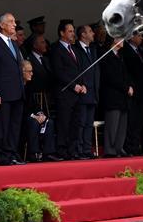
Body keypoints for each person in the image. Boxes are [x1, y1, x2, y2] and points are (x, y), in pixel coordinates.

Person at [0, 13, 26, 166]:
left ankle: (12, 153)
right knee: (3, 125)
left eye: (14, 22)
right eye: (10, 22)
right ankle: (3, 155)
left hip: (17, 91)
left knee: (15, 126)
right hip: (2, 93)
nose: (14, 25)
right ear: (2, 25)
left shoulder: (14, 44)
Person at [50, 20, 82, 161]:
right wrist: (73, 85)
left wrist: (82, 83)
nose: (72, 33)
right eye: (69, 31)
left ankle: (73, 150)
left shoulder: (74, 49)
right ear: (62, 33)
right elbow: (58, 72)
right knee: (64, 123)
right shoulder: (56, 48)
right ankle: (62, 150)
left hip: (77, 93)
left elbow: (79, 70)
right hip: (64, 93)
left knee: (75, 122)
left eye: (73, 31)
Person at [100, 38, 133, 158]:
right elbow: (111, 77)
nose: (123, 40)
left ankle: (119, 148)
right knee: (112, 124)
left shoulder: (120, 56)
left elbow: (126, 74)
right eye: (120, 38)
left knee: (122, 124)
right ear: (114, 40)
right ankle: (110, 150)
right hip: (112, 96)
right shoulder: (106, 56)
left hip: (123, 96)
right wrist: (126, 87)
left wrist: (130, 85)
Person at [20, 60, 56, 162]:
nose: (32, 73)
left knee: (49, 122)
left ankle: (48, 153)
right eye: (29, 71)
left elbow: (35, 105)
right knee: (34, 122)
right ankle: (34, 153)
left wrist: (40, 113)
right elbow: (21, 108)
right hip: (22, 119)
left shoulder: (29, 86)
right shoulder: (17, 86)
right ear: (22, 71)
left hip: (32, 116)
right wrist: (34, 116)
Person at [73, 24, 99, 159]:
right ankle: (79, 149)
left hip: (92, 92)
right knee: (81, 123)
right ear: (83, 34)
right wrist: (81, 84)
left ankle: (87, 149)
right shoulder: (76, 49)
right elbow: (77, 70)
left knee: (89, 123)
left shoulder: (93, 49)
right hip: (83, 91)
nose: (93, 33)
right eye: (90, 31)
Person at [122, 32, 143, 155]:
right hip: (133, 91)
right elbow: (127, 71)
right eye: (139, 36)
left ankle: (136, 146)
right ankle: (130, 147)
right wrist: (130, 85)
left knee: (138, 121)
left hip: (141, 91)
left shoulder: (140, 50)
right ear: (131, 37)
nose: (141, 38)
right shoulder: (126, 50)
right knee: (132, 121)